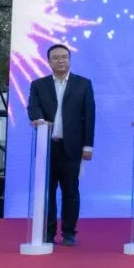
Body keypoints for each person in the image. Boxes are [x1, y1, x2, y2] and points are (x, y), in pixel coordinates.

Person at [27, 44, 96, 247]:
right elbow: (33, 108)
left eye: (64, 57)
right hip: (47, 147)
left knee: (71, 192)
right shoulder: (38, 85)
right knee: (47, 192)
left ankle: (69, 232)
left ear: (69, 59)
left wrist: (88, 146)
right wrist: (39, 120)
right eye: (56, 57)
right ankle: (47, 232)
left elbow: (89, 117)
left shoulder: (83, 84)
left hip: (72, 147)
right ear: (48, 61)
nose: (60, 60)